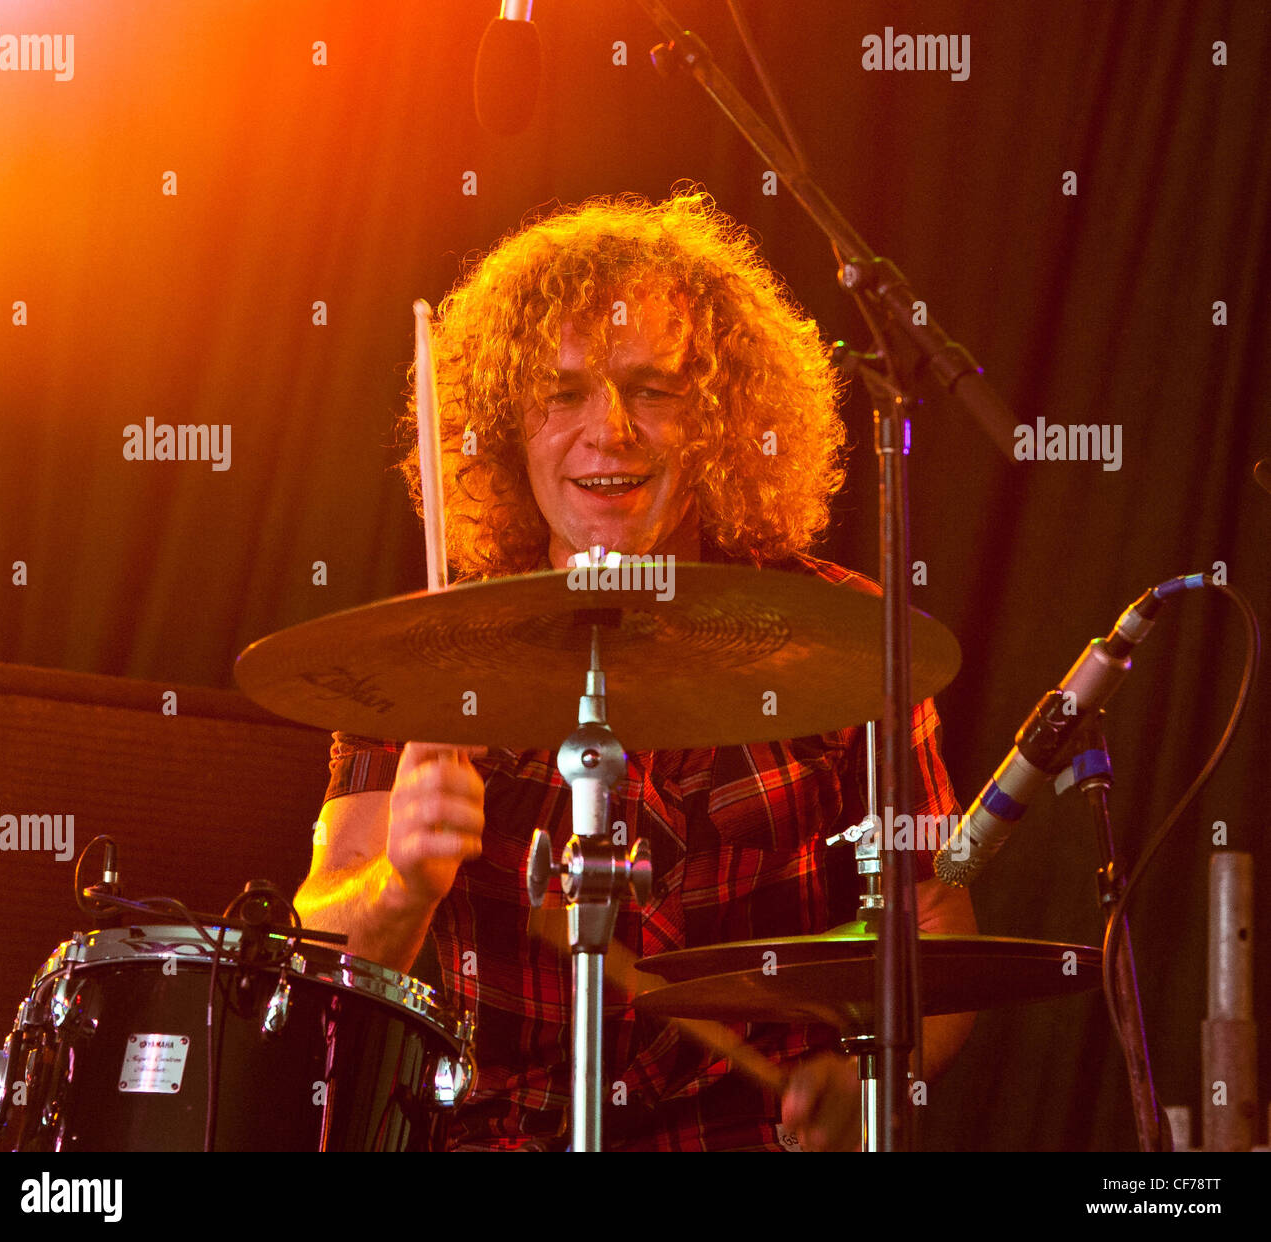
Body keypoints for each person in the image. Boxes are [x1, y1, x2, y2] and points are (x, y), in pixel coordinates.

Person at [295, 189, 976, 1151]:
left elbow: (935, 921)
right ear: (500, 424)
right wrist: (403, 879)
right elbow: (323, 958)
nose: (607, 429)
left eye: (652, 388)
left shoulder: (848, 639)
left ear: (725, 417)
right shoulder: (428, 657)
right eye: (561, 393)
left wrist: (879, 1078)